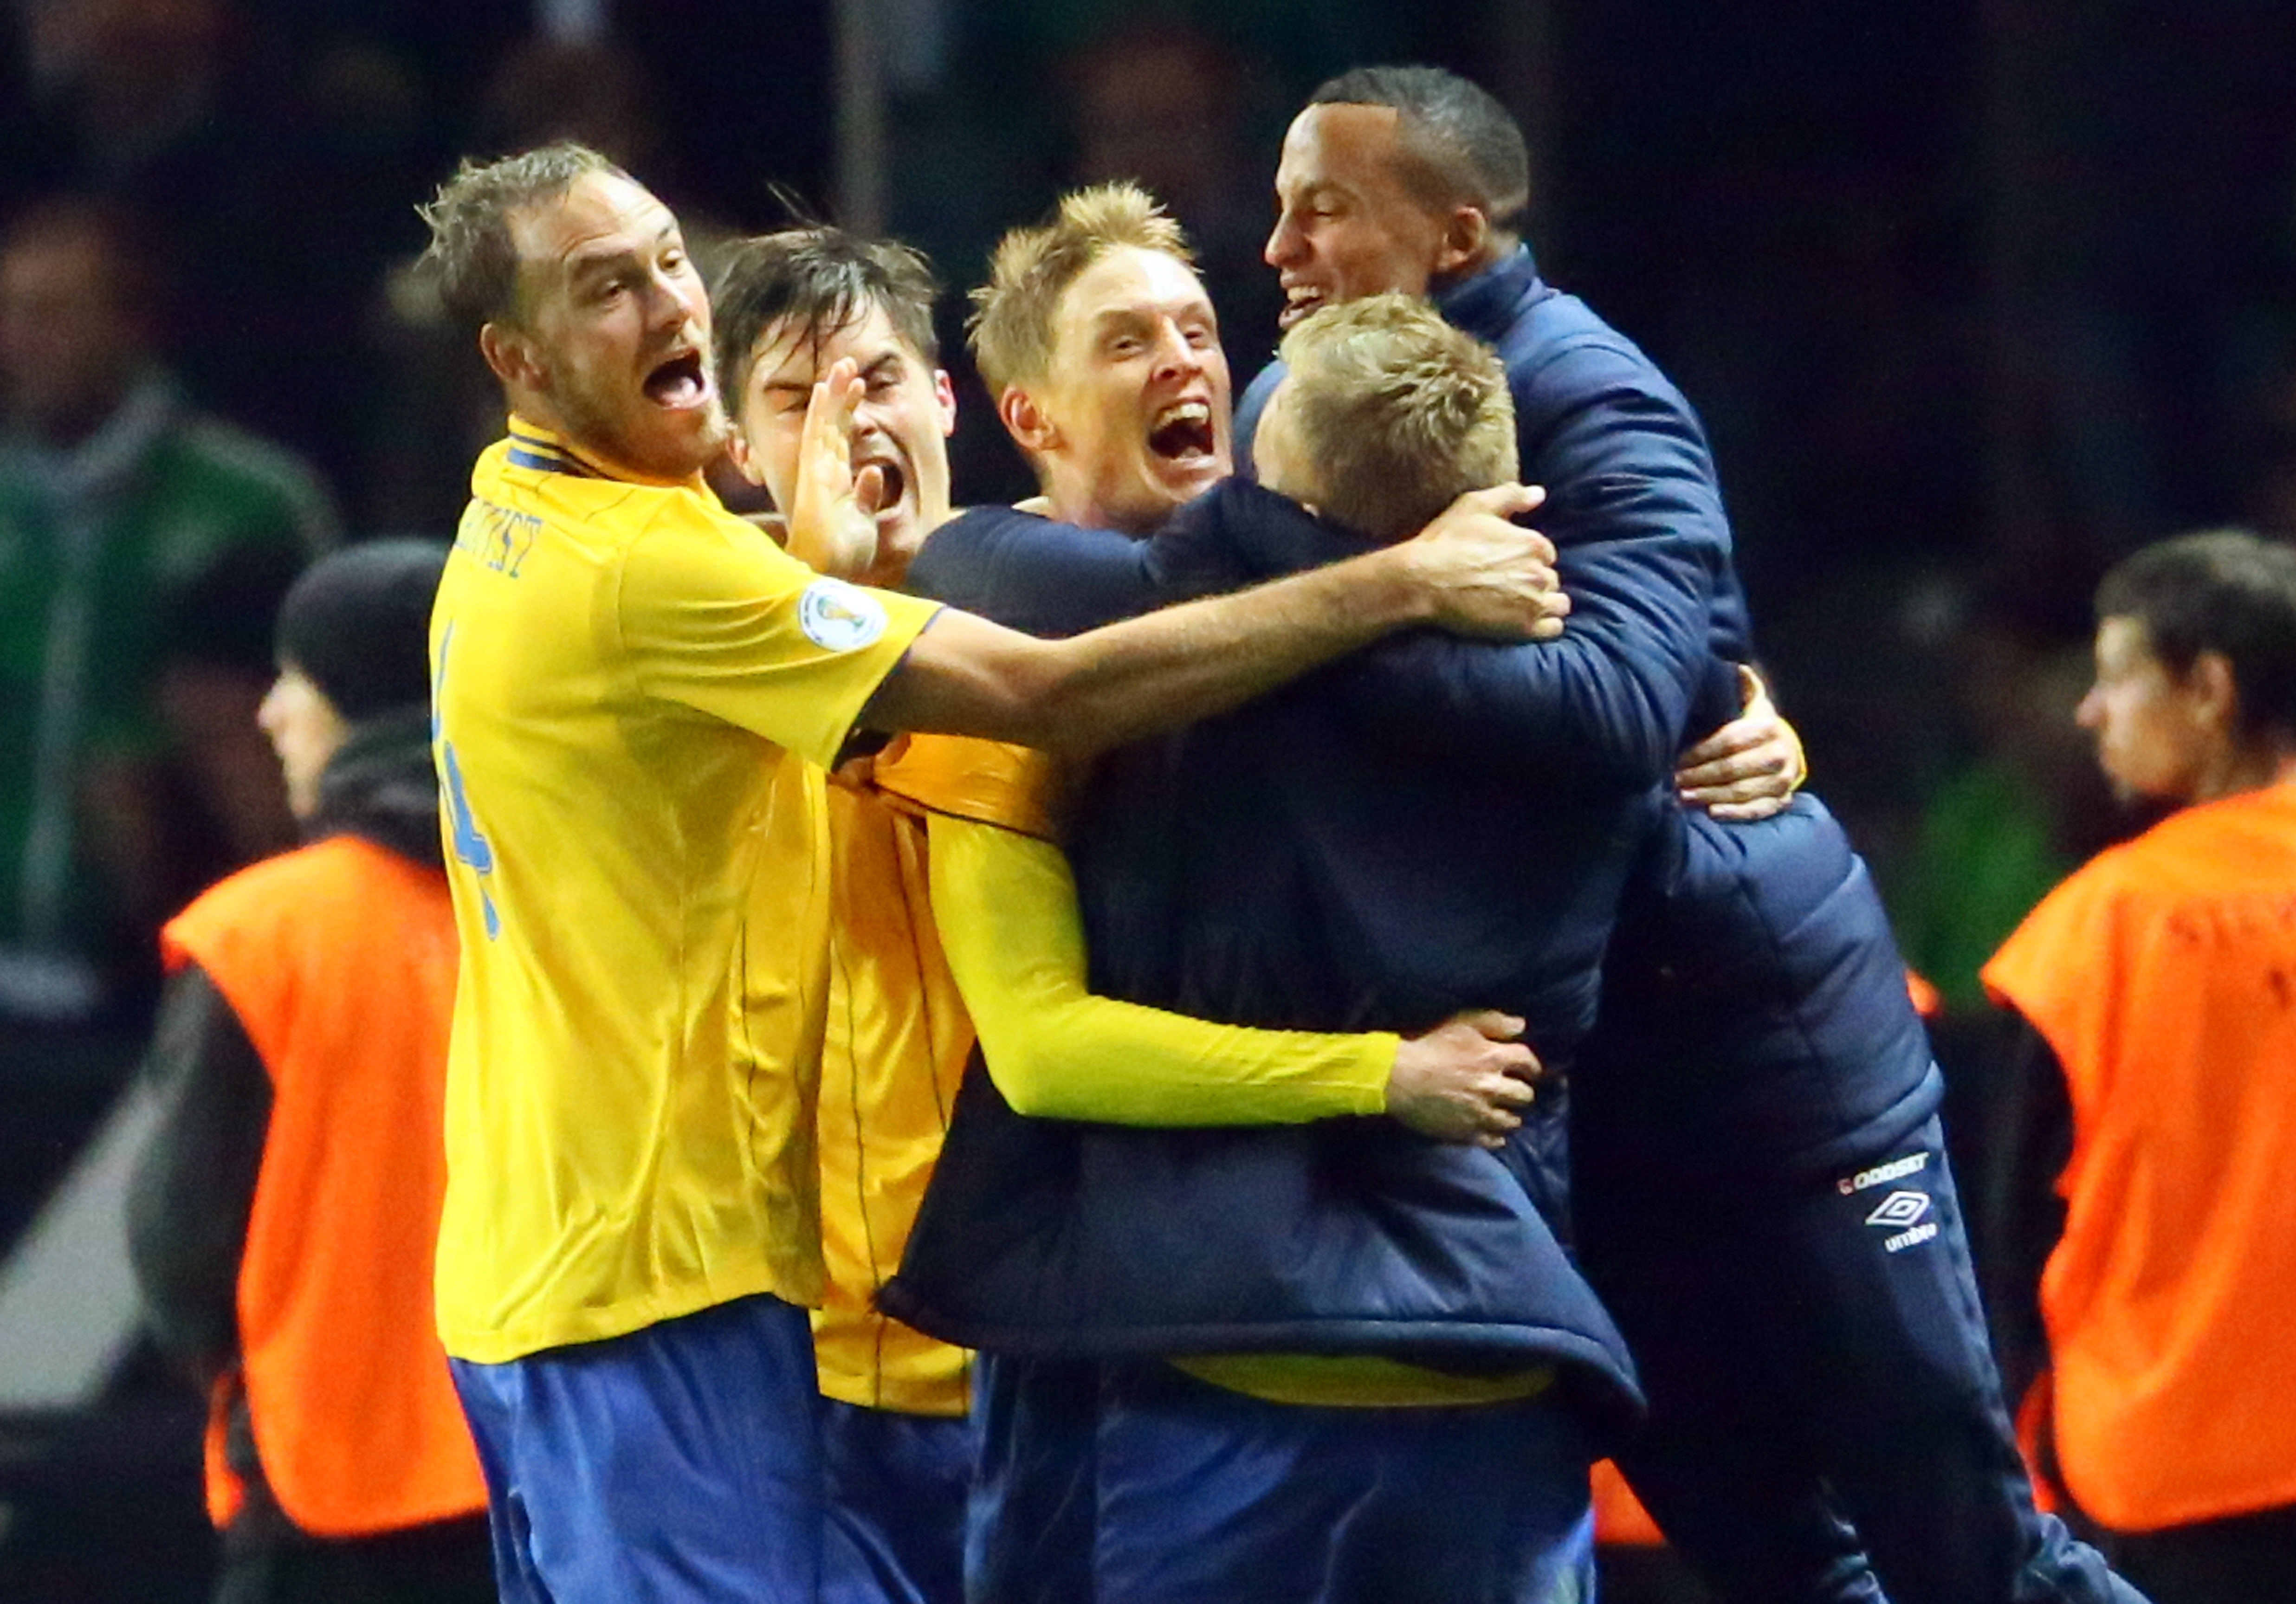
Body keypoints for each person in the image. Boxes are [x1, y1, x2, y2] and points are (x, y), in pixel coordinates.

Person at [414, 142, 1565, 1604]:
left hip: (650, 1288)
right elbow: (1050, 709)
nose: (665, 303)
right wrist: (1402, 581)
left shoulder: (535, 524)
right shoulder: (691, 585)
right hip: (684, 1291)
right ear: (516, 356)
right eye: (605, 289)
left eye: (661, 259)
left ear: (960, 403)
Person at [1235, 65, 2143, 1604]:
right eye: (1276, 206)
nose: (1275, 247)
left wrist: (1334, 621)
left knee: (1966, 1542)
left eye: (1321, 207)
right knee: (1771, 1553)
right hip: (1596, 1097)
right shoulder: (1281, 410)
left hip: (1779, 1051)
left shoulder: (1595, 390)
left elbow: (1613, 704)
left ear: (1456, 237)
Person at [881, 181, 1753, 1604]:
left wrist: (1737, 709)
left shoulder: (1071, 641)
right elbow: (1044, 1044)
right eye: (1125, 343)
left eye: (1198, 330)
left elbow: (1049, 1052)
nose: (1184, 362)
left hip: (1222, 1351)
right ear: (1030, 417)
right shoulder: (1568, 679)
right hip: (1481, 1339)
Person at [709, 221, 1557, 1604]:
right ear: (742, 453)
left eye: (875, 384)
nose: (844, 433)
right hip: (829, 1346)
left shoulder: (1161, 615)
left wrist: (1725, 704)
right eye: (798, 405)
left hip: (1081, 1319)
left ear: (952, 405)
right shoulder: (716, 644)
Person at [1983, 530, 2296, 1604]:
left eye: (2117, 677)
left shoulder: (2093, 934)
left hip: (2174, 1474)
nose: (2092, 713)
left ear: (2208, 689)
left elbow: (2014, 1237)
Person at [124, 539, 493, 1604]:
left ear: (359, 704)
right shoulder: (583, 915)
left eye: (298, 679)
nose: (272, 713)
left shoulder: (260, 936)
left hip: (320, 1482)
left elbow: (182, 1244)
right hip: (557, 1481)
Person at [0, 194, 334, 1022]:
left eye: (49, 314)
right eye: (7, 313)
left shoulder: (252, 504)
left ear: (132, 323)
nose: (17, 345)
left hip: (182, 973)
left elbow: (335, 731)